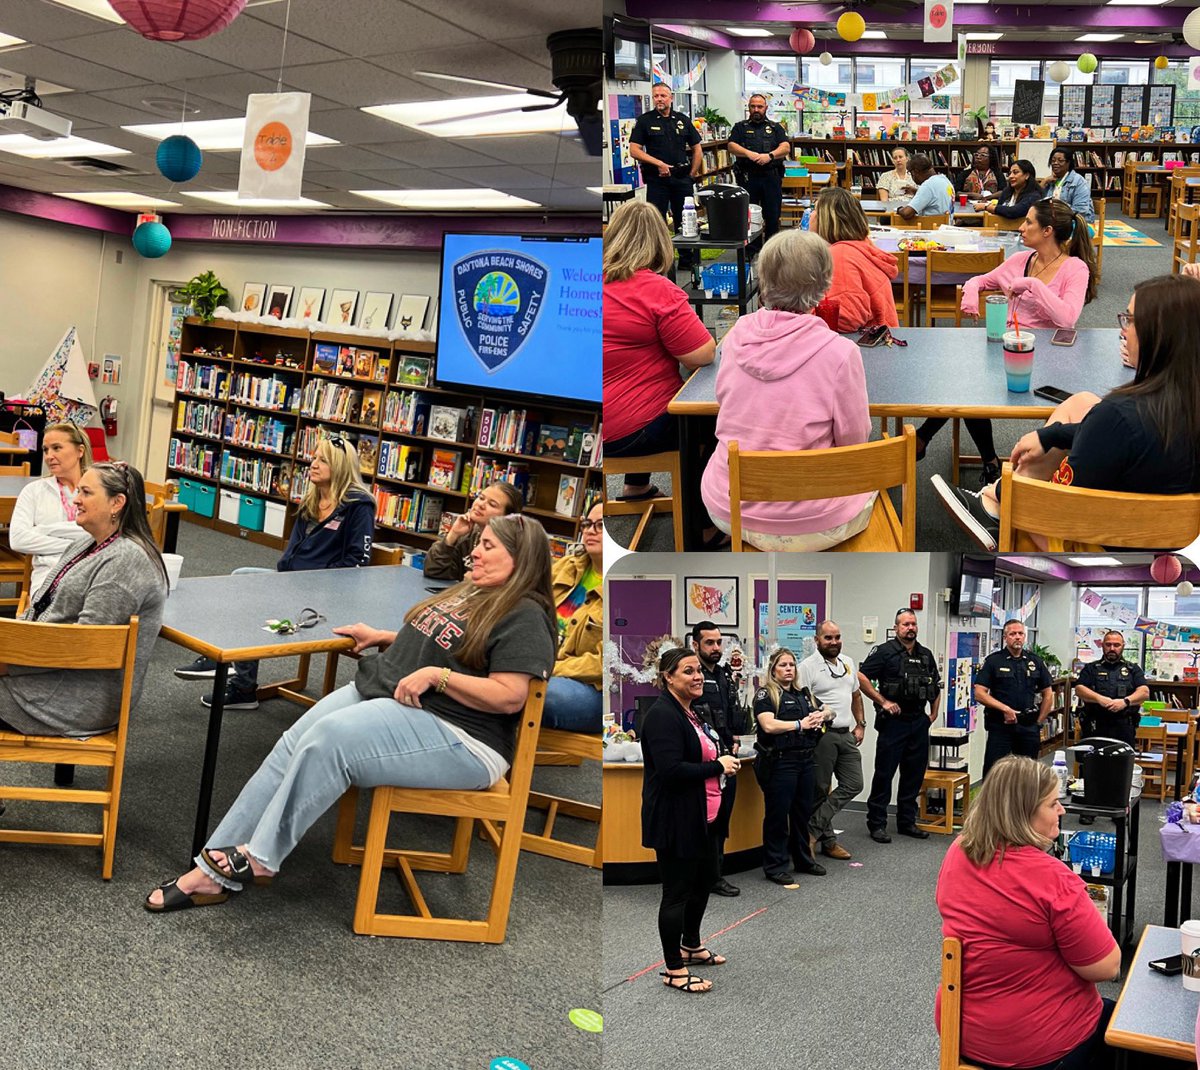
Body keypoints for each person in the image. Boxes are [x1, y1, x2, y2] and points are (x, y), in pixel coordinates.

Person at [145, 513, 557, 913]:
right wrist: (384, 637)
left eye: (488, 546)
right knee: (294, 741)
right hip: (398, 693)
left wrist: (438, 676)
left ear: (520, 559)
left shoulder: (525, 614)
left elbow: (509, 696)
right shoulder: (476, 590)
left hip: (464, 735)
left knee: (330, 741)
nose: (475, 552)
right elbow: (445, 642)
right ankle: (210, 871)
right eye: (479, 543)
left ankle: (262, 857)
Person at [936, 273, 1200, 550]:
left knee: (1027, 489)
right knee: (1083, 401)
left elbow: (1059, 501)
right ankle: (993, 507)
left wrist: (1002, 489)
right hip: (1180, 546)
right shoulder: (1172, 407)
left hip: (1096, 546)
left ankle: (993, 509)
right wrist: (1053, 435)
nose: (1123, 330)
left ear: (1158, 335)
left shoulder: (1117, 415)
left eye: (1130, 320)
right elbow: (1110, 435)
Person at [936, 756, 1121, 1070]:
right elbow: (1106, 967)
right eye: (1052, 804)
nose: (1062, 810)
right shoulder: (1054, 879)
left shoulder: (959, 851)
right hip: (1035, 1044)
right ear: (1023, 814)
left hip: (963, 1030)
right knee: (1133, 1032)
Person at [700, 229, 873, 551]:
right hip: (813, 522)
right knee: (874, 476)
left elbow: (725, 403)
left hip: (727, 508)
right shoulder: (840, 352)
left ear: (763, 281)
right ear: (824, 284)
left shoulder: (735, 336)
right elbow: (854, 442)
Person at [174, 437, 375, 709]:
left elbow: (357, 562)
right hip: (291, 582)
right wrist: (284, 579)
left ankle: (239, 681)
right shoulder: (313, 498)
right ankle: (225, 661)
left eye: (322, 460)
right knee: (241, 577)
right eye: (314, 458)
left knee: (249, 589)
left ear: (339, 466)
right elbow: (292, 553)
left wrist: (309, 581)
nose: (313, 464)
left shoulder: (358, 505)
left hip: (325, 594)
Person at [919, 197, 1098, 486]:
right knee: (965, 382)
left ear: (1048, 231)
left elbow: (1067, 318)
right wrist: (970, 293)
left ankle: (924, 439)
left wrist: (1032, 285)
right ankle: (989, 461)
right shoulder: (1019, 261)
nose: (1021, 228)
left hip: (1048, 358)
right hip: (1006, 349)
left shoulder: (1075, 268)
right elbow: (980, 281)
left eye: (1028, 222)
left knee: (970, 385)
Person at [0, 461, 167, 739]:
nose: (75, 499)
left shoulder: (126, 561)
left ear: (117, 503)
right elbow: (45, 608)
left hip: (72, 698)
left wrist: (8, 661)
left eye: (86, 493)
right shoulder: (87, 543)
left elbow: (85, 646)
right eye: (78, 491)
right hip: (44, 674)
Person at [639, 646, 741, 993]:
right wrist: (717, 766)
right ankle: (673, 969)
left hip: (705, 815)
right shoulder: (661, 715)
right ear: (668, 677)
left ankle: (691, 946)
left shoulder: (691, 711)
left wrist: (722, 759)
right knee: (676, 893)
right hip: (676, 818)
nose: (698, 676)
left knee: (704, 882)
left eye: (698, 670)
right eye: (688, 671)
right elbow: (670, 771)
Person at [602, 199, 716, 512]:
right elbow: (701, 355)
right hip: (635, 429)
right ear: (659, 243)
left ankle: (636, 485)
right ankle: (701, 520)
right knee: (713, 421)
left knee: (636, 381)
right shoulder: (657, 290)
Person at [858, 608, 941, 843]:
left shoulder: (925, 654)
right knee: (884, 774)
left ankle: (907, 822)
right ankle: (877, 823)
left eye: (913, 624)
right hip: (894, 723)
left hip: (918, 722)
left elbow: (935, 686)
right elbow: (861, 677)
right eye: (905, 624)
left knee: (913, 775)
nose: (910, 628)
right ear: (896, 628)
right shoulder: (884, 652)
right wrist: (883, 701)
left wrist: (933, 714)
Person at [753, 647, 827, 885]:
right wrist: (799, 724)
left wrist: (822, 716)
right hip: (780, 762)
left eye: (792, 665)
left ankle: (803, 859)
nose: (788, 669)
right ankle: (775, 866)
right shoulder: (766, 694)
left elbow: (829, 710)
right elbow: (768, 725)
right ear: (773, 669)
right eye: (783, 665)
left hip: (805, 760)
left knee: (802, 814)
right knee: (778, 815)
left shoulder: (803, 694)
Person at [801, 619, 866, 861]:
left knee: (854, 783)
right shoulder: (807, 667)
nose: (834, 642)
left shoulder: (847, 662)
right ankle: (827, 841)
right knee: (820, 789)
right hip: (822, 735)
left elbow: (856, 695)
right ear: (817, 640)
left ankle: (812, 831)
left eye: (837, 637)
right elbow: (802, 702)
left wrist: (860, 724)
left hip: (846, 733)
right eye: (828, 638)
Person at [8, 421, 93, 594]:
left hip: (93, 572)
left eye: (56, 448)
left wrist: (42, 530)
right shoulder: (33, 491)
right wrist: (83, 544)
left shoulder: (99, 490)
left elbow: (111, 535)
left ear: (80, 451)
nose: (48, 456)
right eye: (46, 450)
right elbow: (18, 540)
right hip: (48, 576)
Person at [692, 621, 743, 897]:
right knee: (703, 821)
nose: (715, 647)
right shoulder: (692, 676)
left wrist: (735, 738)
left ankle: (715, 875)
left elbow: (730, 714)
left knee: (722, 821)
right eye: (709, 642)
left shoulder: (724, 675)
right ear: (695, 645)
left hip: (726, 756)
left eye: (718, 642)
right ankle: (703, 877)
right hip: (703, 759)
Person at [542, 502, 602, 733]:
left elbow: (603, 664)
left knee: (543, 694)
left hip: (589, 687)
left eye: (600, 525)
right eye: (587, 524)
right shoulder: (567, 566)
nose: (590, 531)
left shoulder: (624, 586)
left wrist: (551, 668)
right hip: (540, 663)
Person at [628, 82, 702, 265]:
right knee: (656, 221)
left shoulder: (682, 120)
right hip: (657, 180)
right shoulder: (645, 121)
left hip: (682, 178)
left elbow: (697, 148)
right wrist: (659, 164)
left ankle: (687, 260)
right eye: (656, 96)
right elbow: (634, 150)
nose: (659, 99)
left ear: (671, 98)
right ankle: (658, 261)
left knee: (684, 220)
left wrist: (692, 174)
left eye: (663, 96)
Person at [810, 186, 899, 332]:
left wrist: (803, 315)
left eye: (814, 210)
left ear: (826, 220)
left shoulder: (841, 255)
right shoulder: (860, 245)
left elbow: (846, 318)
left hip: (862, 342)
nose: (810, 215)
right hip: (880, 337)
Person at [975, 620, 1054, 781]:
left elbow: (1048, 693)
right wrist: (1005, 709)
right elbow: (979, 693)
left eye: (1020, 634)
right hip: (1001, 726)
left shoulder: (1035, 661)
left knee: (1028, 774)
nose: (1017, 637)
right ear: (1005, 637)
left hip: (1028, 726)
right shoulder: (994, 661)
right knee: (994, 772)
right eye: (1012, 634)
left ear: (1024, 636)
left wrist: (1039, 722)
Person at [425, 481, 523, 581]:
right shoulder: (469, 534)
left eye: (492, 504)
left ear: (507, 517)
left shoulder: (512, 548)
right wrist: (453, 534)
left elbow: (514, 587)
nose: (481, 505)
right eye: (481, 498)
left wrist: (476, 584)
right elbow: (434, 571)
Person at [727, 93, 791, 239]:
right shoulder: (740, 127)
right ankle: (751, 249)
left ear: (766, 108)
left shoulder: (775, 127)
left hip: (771, 178)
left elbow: (786, 147)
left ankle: (771, 248)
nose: (756, 109)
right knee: (748, 216)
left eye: (760, 106)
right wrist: (748, 153)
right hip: (748, 178)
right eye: (753, 106)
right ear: (749, 107)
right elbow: (731, 146)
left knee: (772, 216)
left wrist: (770, 156)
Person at [1074, 630, 1148, 747]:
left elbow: (1144, 692)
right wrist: (1099, 699)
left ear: (1123, 646)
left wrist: (1125, 702)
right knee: (1093, 758)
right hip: (1095, 725)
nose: (1112, 648)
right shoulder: (1091, 668)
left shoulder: (1133, 669)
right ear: (1102, 645)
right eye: (1108, 644)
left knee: (1123, 759)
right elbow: (1079, 689)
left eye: (1116, 645)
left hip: (1123, 727)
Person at [973, 159, 1043, 219]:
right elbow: (998, 210)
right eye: (1010, 173)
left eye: (1015, 172)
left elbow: (1013, 212)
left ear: (1027, 175)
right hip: (999, 227)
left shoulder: (1034, 196)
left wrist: (986, 207)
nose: (1010, 176)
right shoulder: (1007, 191)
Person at [1042, 148, 1095, 223]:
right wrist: (1043, 182)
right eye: (1053, 160)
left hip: (1076, 222)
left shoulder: (1079, 181)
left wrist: (1057, 210)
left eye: (1060, 161)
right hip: (1055, 220)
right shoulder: (1050, 181)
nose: (1055, 163)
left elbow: (1081, 210)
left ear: (1068, 163)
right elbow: (1039, 204)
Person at [895, 155, 954, 220]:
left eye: (910, 172)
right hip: (945, 224)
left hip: (931, 225)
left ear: (915, 171)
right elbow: (934, 196)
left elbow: (907, 214)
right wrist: (916, 191)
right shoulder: (945, 180)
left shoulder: (928, 185)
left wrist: (899, 209)